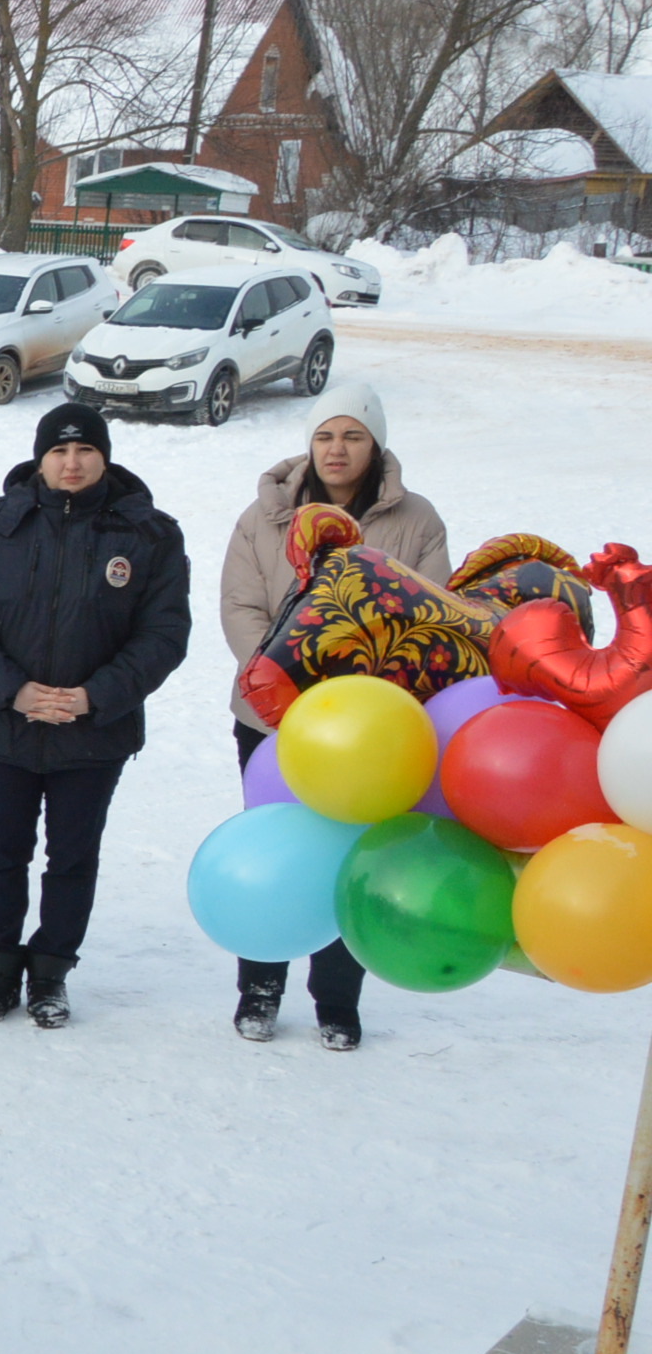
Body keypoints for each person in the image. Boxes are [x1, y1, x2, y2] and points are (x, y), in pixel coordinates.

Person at [0, 403, 191, 1029]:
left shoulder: (149, 535)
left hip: (93, 732)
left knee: (73, 856)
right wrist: (13, 690)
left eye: (85, 451)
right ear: (39, 458)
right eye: (59, 452)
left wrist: (95, 696)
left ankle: (51, 971)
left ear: (105, 457)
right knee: (3, 849)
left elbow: (164, 634)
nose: (71, 463)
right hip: (3, 725)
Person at [218, 381, 448, 1051]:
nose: (337, 449)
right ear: (308, 444)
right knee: (276, 849)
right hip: (274, 721)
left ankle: (337, 999)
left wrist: (354, 699)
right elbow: (242, 609)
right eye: (324, 435)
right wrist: (287, 687)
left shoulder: (417, 521)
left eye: (352, 435)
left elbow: (425, 616)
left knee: (350, 860)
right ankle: (259, 988)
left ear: (375, 442)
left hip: (367, 732)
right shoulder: (262, 517)